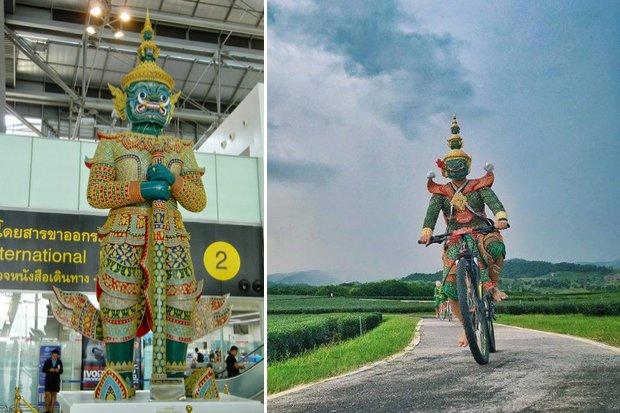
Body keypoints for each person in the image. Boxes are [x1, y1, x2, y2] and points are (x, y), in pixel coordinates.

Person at [419, 116, 509, 347]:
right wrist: (427, 231)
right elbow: (430, 216)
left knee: (495, 246)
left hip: (480, 232)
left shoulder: (478, 187)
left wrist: (500, 218)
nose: (456, 168)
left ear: (467, 165)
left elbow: (495, 204)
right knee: (449, 287)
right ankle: (466, 325)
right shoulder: (441, 193)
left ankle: (493, 286)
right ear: (446, 169)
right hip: (454, 237)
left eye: (460, 164)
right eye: (452, 165)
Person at [42, 349, 63, 413]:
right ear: (51, 354)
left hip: (56, 381)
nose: (55, 357)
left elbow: (62, 371)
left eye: (56, 356)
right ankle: (47, 410)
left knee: (54, 396)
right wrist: (49, 370)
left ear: (58, 356)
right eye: (54, 356)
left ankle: (52, 411)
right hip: (48, 381)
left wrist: (58, 371)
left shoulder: (59, 362)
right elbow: (43, 370)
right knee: (48, 396)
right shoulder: (47, 361)